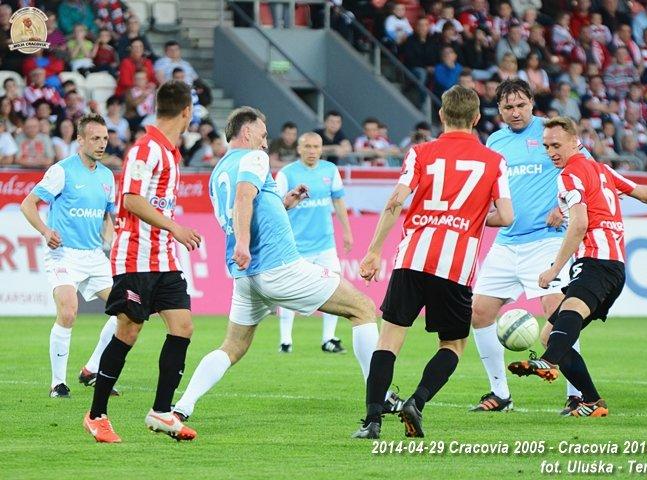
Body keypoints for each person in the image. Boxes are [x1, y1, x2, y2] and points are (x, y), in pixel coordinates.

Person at [171, 107, 401, 425]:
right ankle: (380, 395)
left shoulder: (218, 171)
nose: (266, 143)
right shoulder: (254, 157)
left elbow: (249, 206)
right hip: (277, 265)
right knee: (362, 308)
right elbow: (244, 197)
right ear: (247, 132)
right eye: (263, 135)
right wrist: (242, 243)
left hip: (246, 275)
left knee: (233, 346)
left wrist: (285, 204)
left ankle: (182, 406)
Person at [352, 85, 514, 439]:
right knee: (452, 345)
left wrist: (374, 250)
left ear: (441, 115)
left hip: (413, 257)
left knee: (389, 339)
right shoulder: (494, 161)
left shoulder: (420, 153)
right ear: (476, 118)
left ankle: (372, 421)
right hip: (456, 266)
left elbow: (396, 200)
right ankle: (418, 401)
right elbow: (506, 216)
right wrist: (471, 216)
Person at [508, 116, 647, 416]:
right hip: (614, 267)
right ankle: (592, 401)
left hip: (596, 261)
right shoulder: (602, 170)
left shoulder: (569, 175)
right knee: (550, 334)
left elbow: (579, 224)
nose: (551, 152)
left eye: (556, 145)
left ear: (574, 141)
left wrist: (554, 270)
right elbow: (642, 193)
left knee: (567, 316)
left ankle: (548, 362)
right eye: (546, 146)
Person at [83, 81, 202, 443]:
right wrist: (175, 227)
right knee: (128, 331)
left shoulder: (169, 153)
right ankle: (96, 415)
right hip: (135, 258)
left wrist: (170, 233)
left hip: (164, 259)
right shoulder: (145, 149)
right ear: (186, 112)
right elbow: (132, 199)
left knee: (183, 327)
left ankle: (161, 412)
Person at [468, 79, 593, 415]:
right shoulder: (495, 141)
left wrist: (564, 206)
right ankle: (500, 394)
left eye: (521, 105)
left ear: (532, 104)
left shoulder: (553, 132)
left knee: (559, 313)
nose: (516, 112)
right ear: (499, 109)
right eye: (508, 107)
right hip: (507, 242)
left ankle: (577, 394)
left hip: (547, 240)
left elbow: (588, 170)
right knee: (479, 312)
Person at [20, 114, 119, 399]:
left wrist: (110, 239)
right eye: (95, 138)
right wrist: (45, 231)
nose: (102, 144)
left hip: (94, 256)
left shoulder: (107, 176)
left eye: (105, 138)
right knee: (68, 310)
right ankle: (58, 384)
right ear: (80, 140)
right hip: (63, 254)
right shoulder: (62, 171)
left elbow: (107, 216)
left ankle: (91, 369)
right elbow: (28, 204)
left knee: (127, 311)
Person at [275, 132, 354, 353]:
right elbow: (276, 206)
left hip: (325, 244)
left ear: (321, 149)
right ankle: (285, 341)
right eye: (307, 146)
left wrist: (347, 232)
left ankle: (329, 339)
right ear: (299, 149)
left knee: (334, 287)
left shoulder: (330, 170)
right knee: (289, 291)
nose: (312, 151)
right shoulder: (286, 174)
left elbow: (339, 201)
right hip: (296, 245)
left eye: (316, 147)